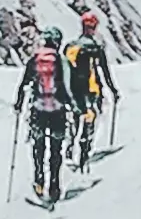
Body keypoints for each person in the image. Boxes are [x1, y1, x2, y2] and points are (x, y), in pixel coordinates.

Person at [13, 25, 75, 204]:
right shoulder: (61, 60)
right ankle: (54, 185)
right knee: (56, 150)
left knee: (38, 147)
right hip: (57, 111)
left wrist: (18, 104)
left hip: (37, 110)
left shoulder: (35, 59)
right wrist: (71, 105)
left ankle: (39, 180)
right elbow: (66, 86)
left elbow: (24, 84)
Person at [65, 10, 119, 171]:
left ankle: (69, 149)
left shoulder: (71, 46)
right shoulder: (95, 48)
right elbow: (104, 71)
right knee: (90, 120)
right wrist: (113, 90)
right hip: (91, 90)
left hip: (73, 92)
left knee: (75, 118)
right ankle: (84, 153)